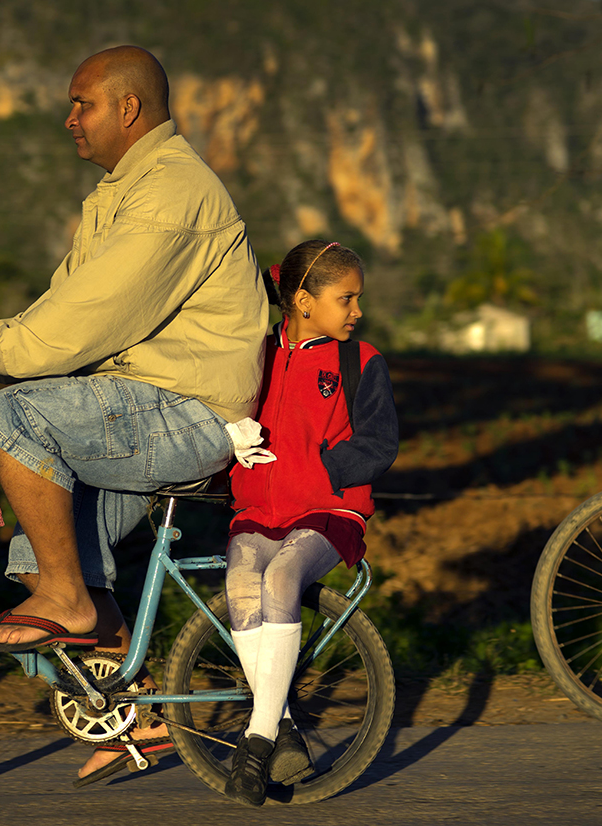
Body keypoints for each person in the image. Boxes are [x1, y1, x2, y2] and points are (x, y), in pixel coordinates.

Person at [0, 45, 269, 783]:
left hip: (186, 409)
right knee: (51, 557)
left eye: (81, 103)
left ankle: (71, 601)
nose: (68, 118)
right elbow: (65, 303)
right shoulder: (125, 190)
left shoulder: (172, 192)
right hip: (138, 401)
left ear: (128, 108)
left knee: (11, 416)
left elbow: (95, 312)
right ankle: (136, 712)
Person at [220, 240, 399, 806]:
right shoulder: (254, 353)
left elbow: (380, 441)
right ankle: (284, 727)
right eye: (346, 298)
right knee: (239, 584)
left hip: (328, 508)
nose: (357, 311)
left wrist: (325, 466)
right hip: (256, 508)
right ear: (302, 300)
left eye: (356, 300)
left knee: (280, 581)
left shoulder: (360, 361)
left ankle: (255, 742)